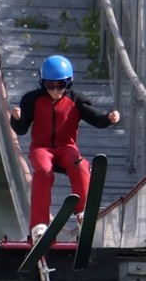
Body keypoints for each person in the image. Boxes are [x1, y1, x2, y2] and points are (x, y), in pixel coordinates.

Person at [9, 55, 120, 243]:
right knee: (43, 171)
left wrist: (108, 118)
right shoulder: (32, 100)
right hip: (41, 148)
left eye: (60, 85)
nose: (55, 90)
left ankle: (83, 213)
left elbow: (95, 118)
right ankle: (39, 225)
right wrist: (16, 119)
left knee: (80, 164)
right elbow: (21, 129)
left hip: (66, 147)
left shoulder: (76, 100)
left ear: (68, 83)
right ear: (43, 83)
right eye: (49, 85)